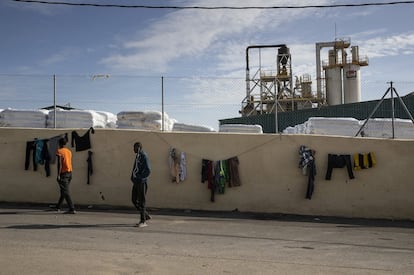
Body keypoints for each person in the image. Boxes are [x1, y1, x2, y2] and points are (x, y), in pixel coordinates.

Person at [131, 142, 151, 227]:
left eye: (135, 148)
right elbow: (135, 167)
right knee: (134, 200)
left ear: (138, 148)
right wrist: (132, 177)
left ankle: (143, 221)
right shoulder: (138, 156)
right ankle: (145, 215)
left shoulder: (144, 156)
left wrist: (140, 177)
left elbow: (148, 170)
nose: (133, 149)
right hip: (136, 182)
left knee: (142, 201)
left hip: (141, 182)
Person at [55, 137, 76, 214]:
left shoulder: (59, 151)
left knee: (65, 192)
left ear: (59, 143)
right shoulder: (69, 151)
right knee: (63, 191)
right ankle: (58, 207)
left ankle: (72, 208)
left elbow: (59, 164)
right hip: (70, 173)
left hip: (63, 173)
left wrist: (58, 175)